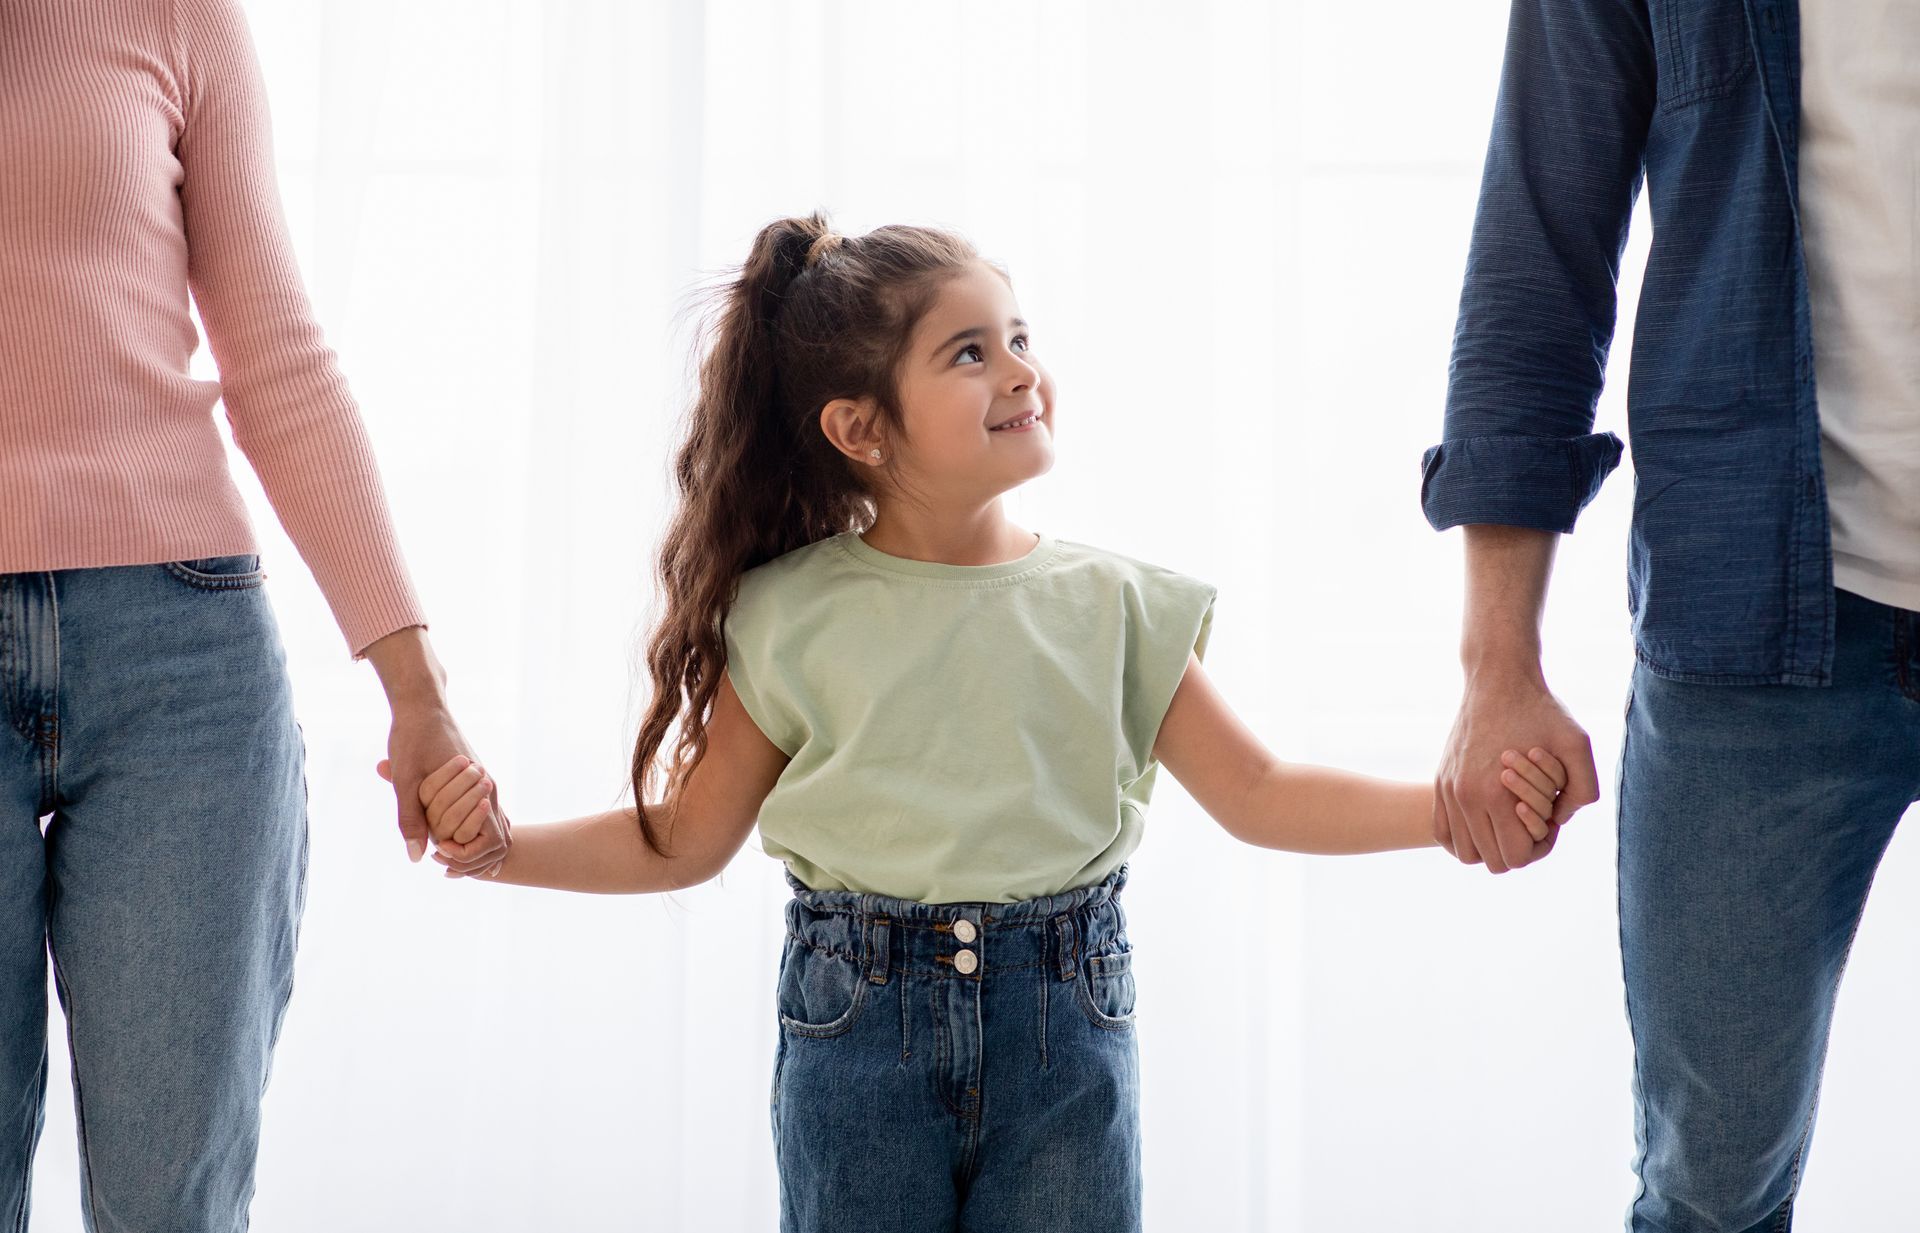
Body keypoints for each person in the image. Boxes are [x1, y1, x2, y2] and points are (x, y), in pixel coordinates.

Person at [400, 213, 1562, 1232]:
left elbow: (1260, 793)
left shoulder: (1113, 605)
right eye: (970, 351)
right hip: (856, 1031)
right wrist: (506, 851)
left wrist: (1446, 811)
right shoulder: (791, 614)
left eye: (1020, 337)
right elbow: (688, 840)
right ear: (860, 429)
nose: (1019, 370)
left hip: (1066, 1024)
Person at [0, 1, 506, 1227]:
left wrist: (419, 696)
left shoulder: (172, 16)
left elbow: (276, 353)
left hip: (186, 656)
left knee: (177, 1205)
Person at [1424, 0, 1920, 1226]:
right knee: (1710, 1190)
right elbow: (1538, 258)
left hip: (1754, 614)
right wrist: (1499, 667)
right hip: (1758, 621)